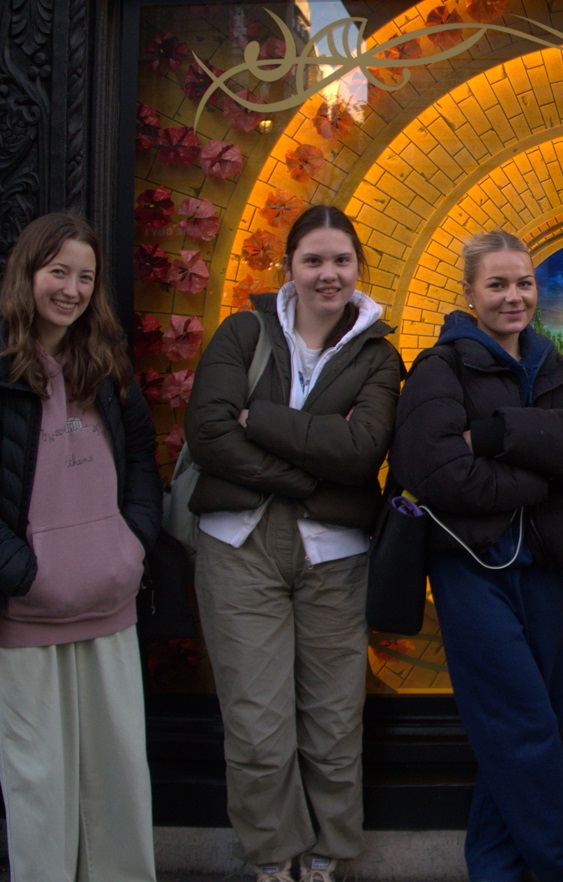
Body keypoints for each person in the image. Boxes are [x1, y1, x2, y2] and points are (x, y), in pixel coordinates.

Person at [390, 230, 563, 882]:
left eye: (523, 283)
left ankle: (495, 868)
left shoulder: (550, 364)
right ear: (469, 293)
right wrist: (540, 480)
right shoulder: (439, 368)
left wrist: (498, 434)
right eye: (497, 284)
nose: (513, 297)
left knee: (535, 723)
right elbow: (435, 470)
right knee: (519, 720)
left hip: (540, 567)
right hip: (470, 568)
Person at [0, 212, 162, 880]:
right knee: (41, 790)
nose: (71, 289)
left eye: (85, 277)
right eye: (58, 272)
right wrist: (28, 575)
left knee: (118, 783)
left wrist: (132, 544)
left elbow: (142, 461)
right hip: (22, 618)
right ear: (27, 273)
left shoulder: (107, 362)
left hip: (109, 606)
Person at [184, 205, 401, 882]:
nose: (327, 274)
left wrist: (262, 422)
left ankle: (327, 854)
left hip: (334, 558)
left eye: (340, 260)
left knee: (333, 720)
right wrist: (308, 476)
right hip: (238, 548)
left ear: (358, 267)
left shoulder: (378, 354)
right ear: (288, 267)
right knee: (257, 723)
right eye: (313, 260)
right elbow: (209, 434)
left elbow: (361, 451)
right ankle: (273, 859)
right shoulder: (242, 333)